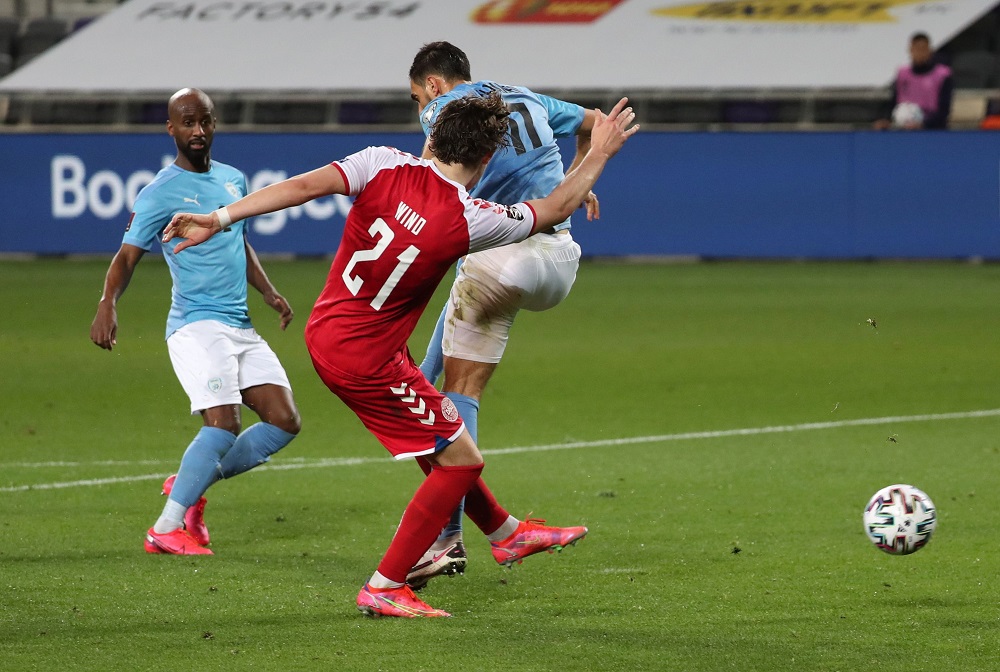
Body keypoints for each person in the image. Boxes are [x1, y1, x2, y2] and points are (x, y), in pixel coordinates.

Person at [163, 93, 638, 617]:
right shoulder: (469, 218)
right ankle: (386, 585)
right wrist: (600, 153)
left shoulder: (380, 162)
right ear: (484, 162)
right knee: (459, 461)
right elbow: (553, 209)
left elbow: (300, 188)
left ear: (433, 138)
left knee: (443, 438)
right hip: (365, 359)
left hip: (331, 332)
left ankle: (506, 534)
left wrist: (220, 216)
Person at [405, 41, 599, 589]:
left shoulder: (446, 113)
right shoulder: (524, 95)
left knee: (445, 394)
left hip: (501, 254)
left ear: (435, 86)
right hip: (558, 261)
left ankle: (448, 536)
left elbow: (426, 190)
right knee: (434, 377)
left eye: (418, 96)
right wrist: (579, 182)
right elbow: (593, 120)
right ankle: (466, 530)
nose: (421, 107)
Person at [90, 88, 301, 556]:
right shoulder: (159, 193)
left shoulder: (234, 180)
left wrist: (267, 291)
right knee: (224, 423)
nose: (198, 131)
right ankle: (165, 527)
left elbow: (238, 240)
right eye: (187, 123)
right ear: (172, 129)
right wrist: (108, 302)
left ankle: (191, 484)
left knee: (284, 422)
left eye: (204, 121)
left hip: (240, 325)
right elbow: (126, 257)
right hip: (196, 326)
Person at [874, 32, 953, 130]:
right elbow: (893, 102)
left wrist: (924, 124)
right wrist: (885, 119)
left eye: (923, 49)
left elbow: (944, 110)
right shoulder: (902, 74)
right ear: (910, 50)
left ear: (930, 51)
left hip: (932, 130)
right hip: (903, 128)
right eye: (916, 49)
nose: (919, 53)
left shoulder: (942, 75)